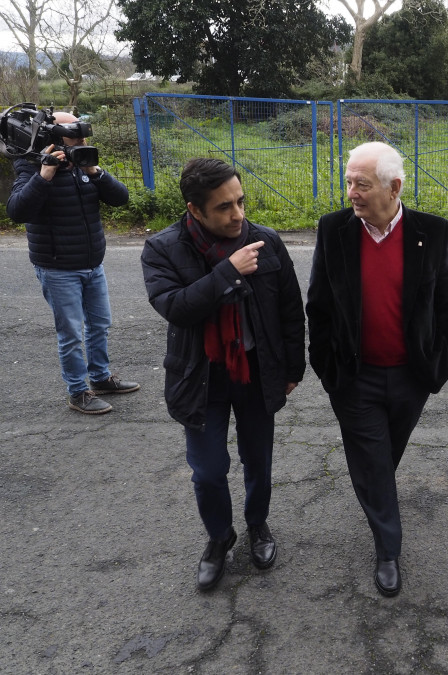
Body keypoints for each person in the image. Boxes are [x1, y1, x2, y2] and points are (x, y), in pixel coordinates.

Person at [141, 158, 306, 591]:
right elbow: (175, 307)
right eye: (224, 208)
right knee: (209, 470)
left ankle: (258, 525)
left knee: (259, 461)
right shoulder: (162, 249)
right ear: (195, 210)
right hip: (201, 377)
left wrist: (293, 368)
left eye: (241, 202)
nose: (238, 215)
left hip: (255, 371)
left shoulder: (265, 242)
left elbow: (291, 310)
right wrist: (228, 272)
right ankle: (219, 536)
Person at [306, 142, 448, 597]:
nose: (351, 192)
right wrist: (325, 365)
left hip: (412, 374)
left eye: (362, 184)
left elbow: (446, 302)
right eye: (348, 181)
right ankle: (388, 549)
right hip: (355, 376)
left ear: (393, 188)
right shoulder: (334, 230)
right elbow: (319, 304)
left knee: (383, 457)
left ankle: (375, 495)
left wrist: (440, 355)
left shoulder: (431, 231)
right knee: (372, 459)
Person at [6, 111, 139, 414]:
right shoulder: (29, 168)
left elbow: (120, 198)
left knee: (99, 324)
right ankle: (78, 392)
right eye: (74, 137)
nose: (81, 142)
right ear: (52, 138)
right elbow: (17, 211)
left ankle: (101, 378)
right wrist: (45, 175)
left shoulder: (83, 166)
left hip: (93, 263)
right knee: (71, 334)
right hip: (57, 267)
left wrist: (95, 172)